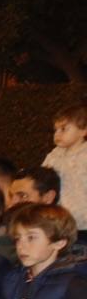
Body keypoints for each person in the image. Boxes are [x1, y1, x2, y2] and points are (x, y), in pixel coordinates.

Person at [41, 103, 87, 242]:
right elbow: (43, 178)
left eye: (64, 129)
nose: (57, 134)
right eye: (55, 130)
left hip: (83, 219)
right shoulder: (53, 155)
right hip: (58, 219)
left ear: (83, 130)